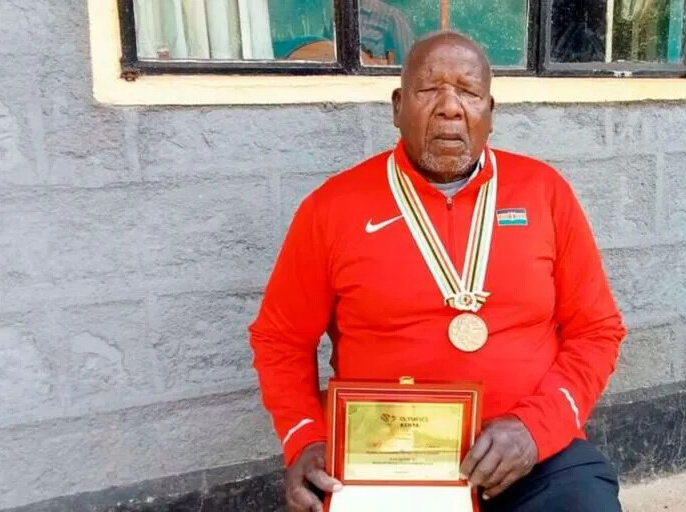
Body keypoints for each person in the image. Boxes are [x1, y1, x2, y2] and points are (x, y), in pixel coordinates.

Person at [248, 31, 626, 512]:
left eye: (468, 92)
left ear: (490, 111)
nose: (450, 108)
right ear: (397, 106)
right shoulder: (331, 209)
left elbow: (596, 330)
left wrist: (535, 428)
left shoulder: (545, 193)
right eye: (429, 90)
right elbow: (280, 340)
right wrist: (305, 437)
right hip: (385, 458)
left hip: (529, 452)